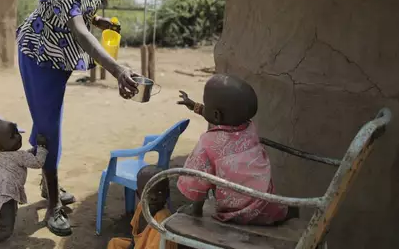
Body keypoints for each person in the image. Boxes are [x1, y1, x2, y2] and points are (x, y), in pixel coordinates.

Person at [16, 0, 140, 236]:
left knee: (47, 123)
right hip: (40, 56)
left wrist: (97, 17)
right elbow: (79, 31)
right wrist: (117, 69)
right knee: (49, 131)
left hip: (62, 56)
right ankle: (53, 202)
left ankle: (47, 183)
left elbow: (82, 12)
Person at [176, 74, 297, 225]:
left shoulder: (208, 142)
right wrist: (196, 106)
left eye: (206, 105)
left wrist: (196, 209)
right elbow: (220, 117)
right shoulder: (249, 127)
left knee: (201, 173)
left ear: (216, 114)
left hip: (237, 213)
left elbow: (195, 180)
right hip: (266, 203)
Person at [0, 121, 48, 248]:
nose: (18, 136)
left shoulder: (1, 154)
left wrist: (32, 151)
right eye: (13, 135)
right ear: (1, 144)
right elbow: (37, 163)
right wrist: (41, 148)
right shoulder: (20, 155)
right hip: (6, 198)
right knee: (5, 231)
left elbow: (22, 157)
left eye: (17, 132)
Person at [107, 165, 177, 249]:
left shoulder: (162, 220)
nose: (154, 197)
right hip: (141, 245)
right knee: (114, 243)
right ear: (138, 194)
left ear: (167, 194)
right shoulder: (141, 206)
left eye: (159, 192)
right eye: (148, 192)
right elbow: (134, 239)